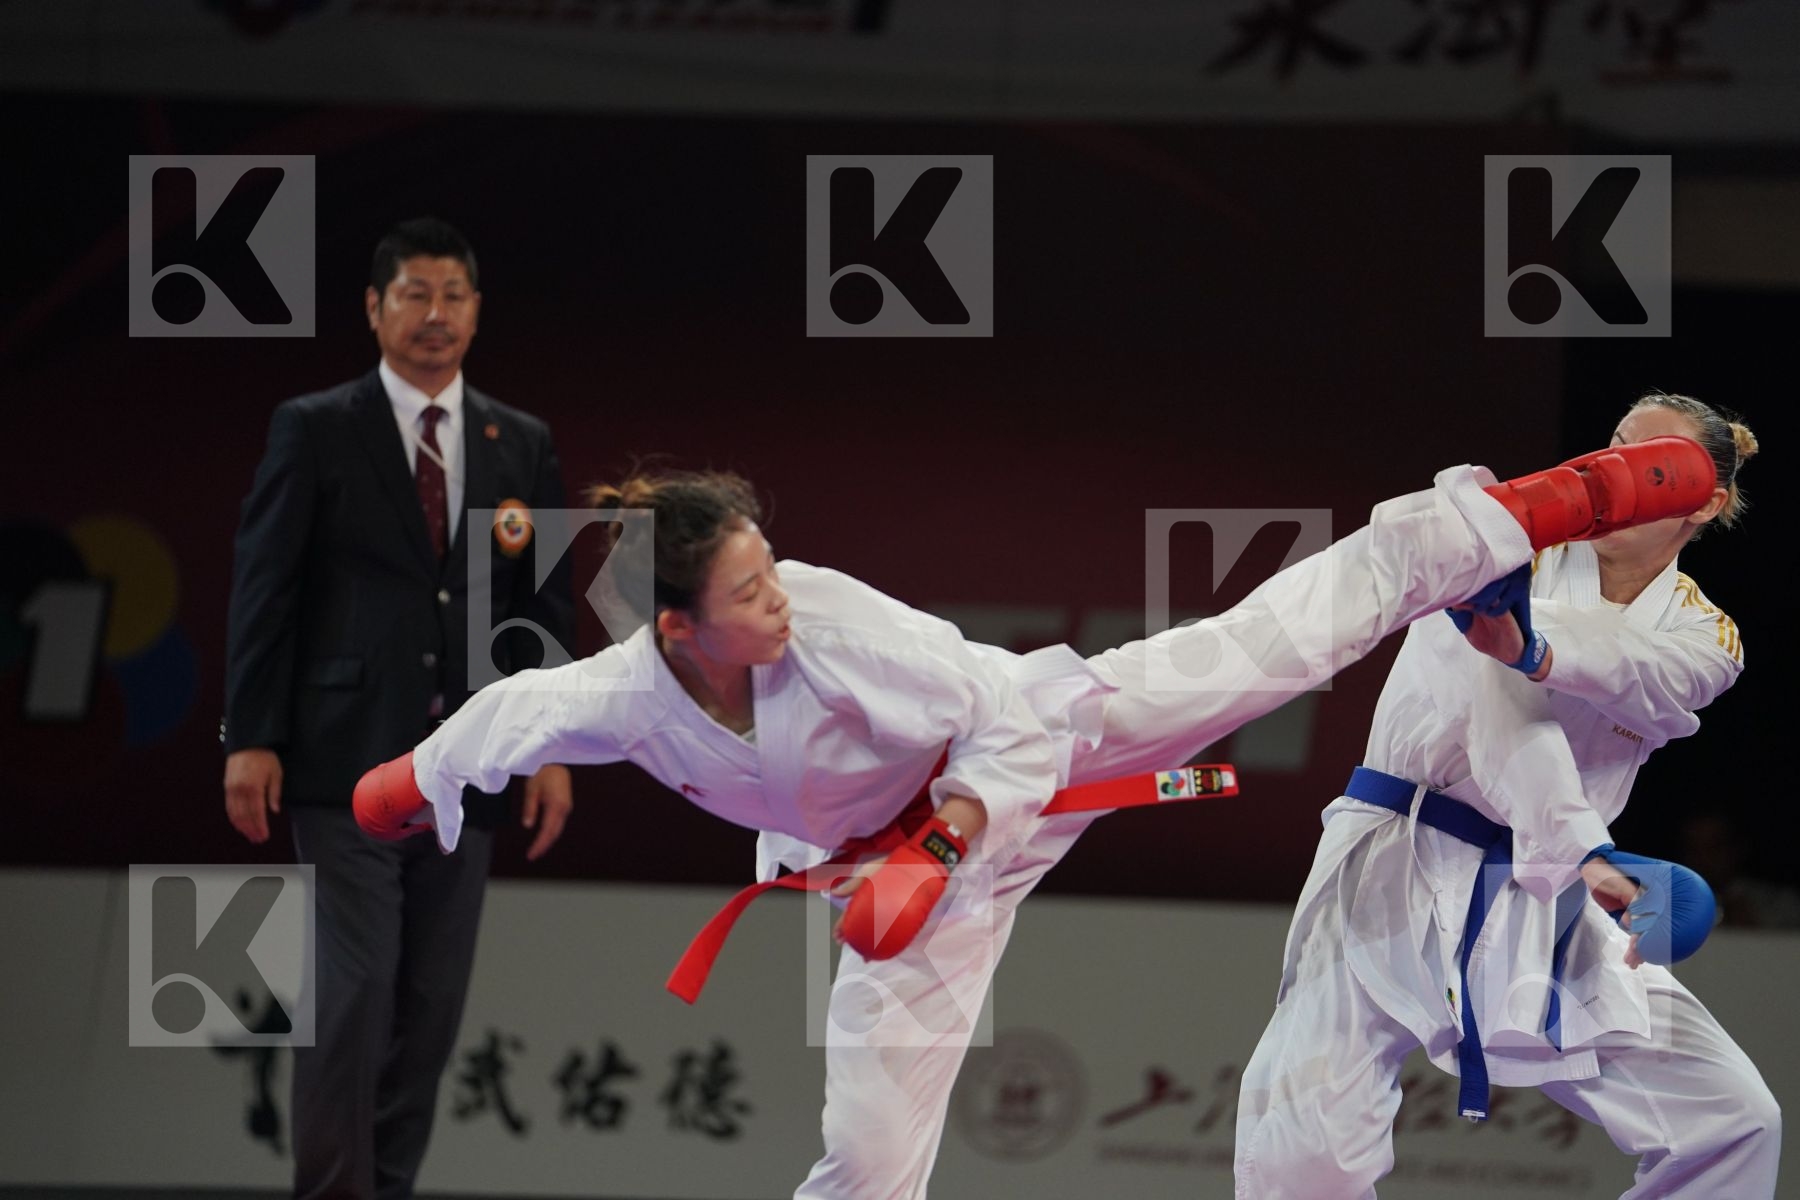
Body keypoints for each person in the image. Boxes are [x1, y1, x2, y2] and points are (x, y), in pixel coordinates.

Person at [353, 437, 1713, 1200]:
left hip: (1041, 749)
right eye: (751, 594)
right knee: (871, 1153)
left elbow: (996, 714)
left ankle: (1503, 520)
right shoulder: (625, 692)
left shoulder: (835, 623)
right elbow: (512, 715)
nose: (783, 595)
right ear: (676, 632)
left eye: (775, 569)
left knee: (1271, 644)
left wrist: (943, 840)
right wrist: (415, 784)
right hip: (904, 894)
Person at [1234, 394, 1779, 1199]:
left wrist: (1537, 649)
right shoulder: (1502, 547)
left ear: (1705, 501)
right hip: (1399, 855)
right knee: (1303, 1150)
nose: (1622, 471)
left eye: (1654, 464)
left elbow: (1642, 675)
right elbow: (1503, 712)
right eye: (1617, 447)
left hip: (1544, 888)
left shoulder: (1704, 634)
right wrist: (1587, 850)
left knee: (1732, 1119)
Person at [222, 217, 577, 1200]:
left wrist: (552, 749)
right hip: (343, 759)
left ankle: (389, 1189)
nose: (435, 315)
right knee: (358, 991)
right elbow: (266, 590)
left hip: (468, 769)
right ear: (375, 310)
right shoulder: (317, 425)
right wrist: (250, 736)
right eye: (414, 295)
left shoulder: (521, 441)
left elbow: (541, 611)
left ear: (477, 311)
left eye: (453, 296)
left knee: (428, 1006)